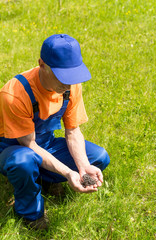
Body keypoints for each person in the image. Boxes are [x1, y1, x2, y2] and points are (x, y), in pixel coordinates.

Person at [0, 34, 110, 229]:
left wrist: (83, 167)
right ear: (42, 64)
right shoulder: (14, 94)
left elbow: (73, 131)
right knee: (23, 161)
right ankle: (31, 214)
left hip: (45, 144)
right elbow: (29, 144)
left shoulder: (70, 86)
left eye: (72, 76)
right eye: (62, 76)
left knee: (99, 157)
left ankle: (45, 178)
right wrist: (68, 173)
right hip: (14, 148)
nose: (68, 85)